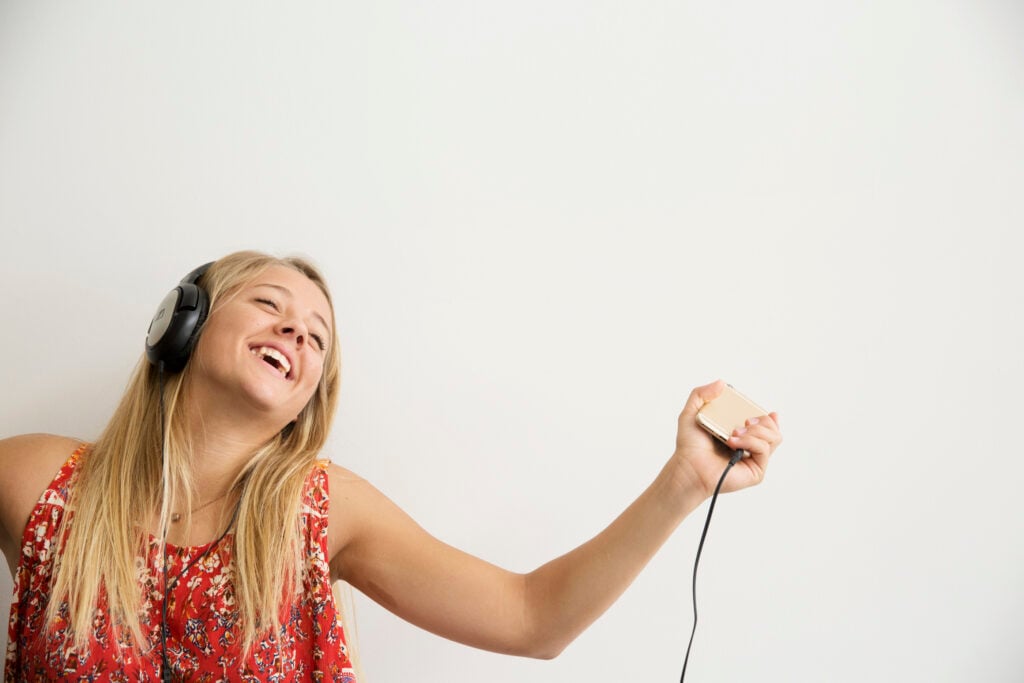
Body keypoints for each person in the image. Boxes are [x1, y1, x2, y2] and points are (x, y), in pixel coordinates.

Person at [0, 250, 783, 681]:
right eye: (270, 304)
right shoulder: (39, 483)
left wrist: (682, 483)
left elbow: (531, 617)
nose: (297, 333)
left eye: (316, 336)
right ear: (182, 325)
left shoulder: (324, 507)